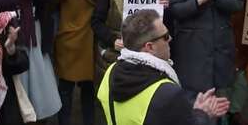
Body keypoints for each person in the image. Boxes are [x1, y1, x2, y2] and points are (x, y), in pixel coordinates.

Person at [97, 9, 231, 125]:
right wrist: (202, 114)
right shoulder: (167, 93)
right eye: (165, 36)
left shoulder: (110, 72)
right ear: (150, 47)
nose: (170, 38)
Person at [168, 0, 243, 108]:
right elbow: (176, 9)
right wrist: (200, 1)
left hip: (220, 47)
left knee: (219, 104)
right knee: (194, 104)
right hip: (192, 49)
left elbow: (237, 4)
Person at [54, 0, 114, 125]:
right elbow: (52, 1)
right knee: (66, 90)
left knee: (90, 91)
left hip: (94, 42)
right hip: (70, 42)